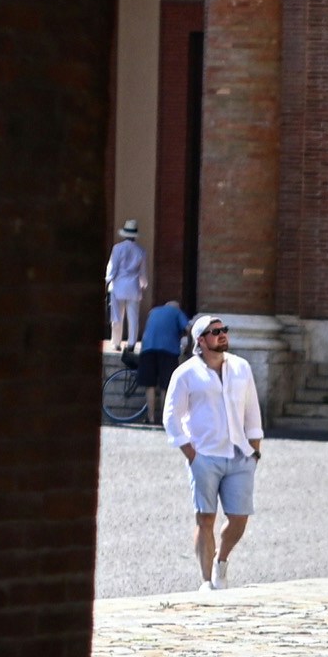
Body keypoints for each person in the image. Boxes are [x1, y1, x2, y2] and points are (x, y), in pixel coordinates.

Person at [162, 312, 265, 590]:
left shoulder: (242, 367)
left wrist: (255, 450)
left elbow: (252, 411)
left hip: (240, 455)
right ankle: (206, 581)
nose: (222, 334)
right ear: (201, 340)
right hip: (204, 456)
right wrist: (190, 453)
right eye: (215, 331)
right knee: (205, 518)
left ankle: (222, 559)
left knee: (240, 518)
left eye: (224, 329)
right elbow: (171, 417)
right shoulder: (186, 374)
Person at [123, 293, 188, 428]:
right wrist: (190, 346)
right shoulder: (177, 312)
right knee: (166, 386)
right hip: (168, 351)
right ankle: (165, 420)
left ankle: (151, 418)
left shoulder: (153, 312)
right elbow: (188, 328)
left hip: (147, 350)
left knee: (150, 386)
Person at [105, 219, 148, 354]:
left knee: (117, 316)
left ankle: (116, 342)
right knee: (133, 317)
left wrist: (108, 279)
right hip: (133, 286)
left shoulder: (117, 248)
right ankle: (131, 343)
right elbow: (143, 272)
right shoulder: (141, 251)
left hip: (118, 285)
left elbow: (113, 267)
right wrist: (143, 284)